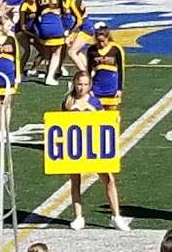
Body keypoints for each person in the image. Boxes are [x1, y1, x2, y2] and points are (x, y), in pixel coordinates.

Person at [62, 71, 132, 231]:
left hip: (94, 146)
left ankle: (116, 216)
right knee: (75, 181)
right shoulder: (68, 101)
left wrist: (93, 110)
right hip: (76, 147)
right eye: (79, 84)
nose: (82, 88)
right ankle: (78, 216)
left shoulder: (94, 101)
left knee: (108, 179)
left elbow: (104, 121)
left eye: (85, 84)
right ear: (74, 83)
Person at [86, 23, 125, 109]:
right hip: (97, 88)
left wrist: (119, 89)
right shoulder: (91, 50)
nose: (101, 44)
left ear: (108, 38)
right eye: (98, 41)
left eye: (103, 41)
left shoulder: (116, 49)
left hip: (112, 87)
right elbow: (88, 71)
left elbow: (121, 70)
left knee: (111, 116)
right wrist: (89, 89)